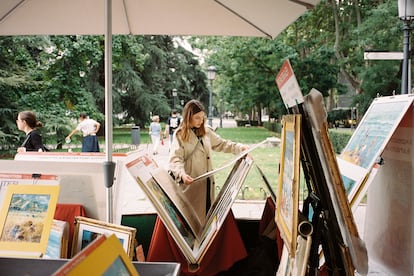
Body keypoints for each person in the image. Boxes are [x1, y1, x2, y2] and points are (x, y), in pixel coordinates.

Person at [147, 100, 249, 275]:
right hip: (190, 190)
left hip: (207, 188)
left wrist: (240, 148)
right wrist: (182, 175)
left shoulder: (206, 131)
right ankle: (193, 265)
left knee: (205, 228)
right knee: (192, 229)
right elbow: (175, 161)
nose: (201, 121)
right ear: (189, 117)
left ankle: (206, 263)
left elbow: (223, 144)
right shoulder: (180, 135)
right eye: (197, 118)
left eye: (203, 118)